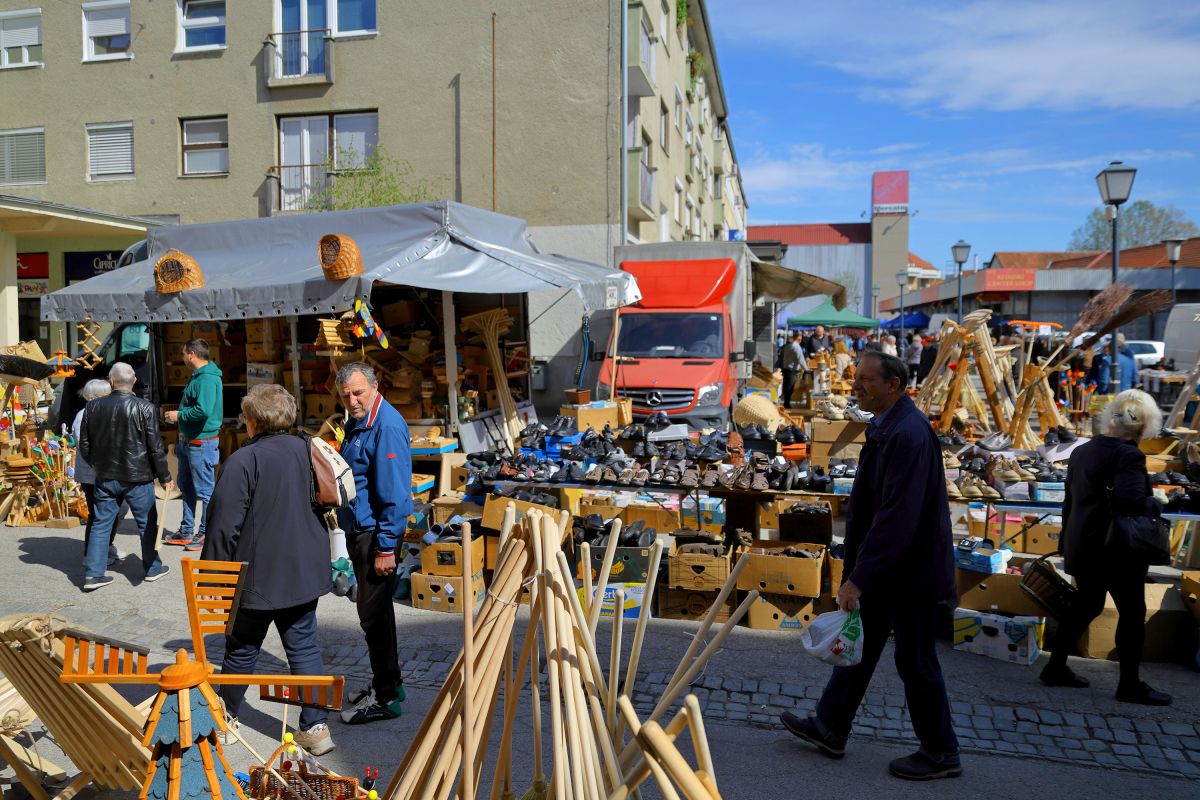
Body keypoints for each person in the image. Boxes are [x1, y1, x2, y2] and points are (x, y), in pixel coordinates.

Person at [781, 351, 960, 781]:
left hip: (910, 573)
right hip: (891, 568)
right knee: (860, 642)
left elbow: (897, 518)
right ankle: (830, 726)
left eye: (866, 380)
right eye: (856, 378)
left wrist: (859, 578)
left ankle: (941, 752)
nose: (856, 386)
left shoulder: (907, 433)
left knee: (916, 661)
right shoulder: (889, 426)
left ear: (893, 385)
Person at [203, 384, 336, 754]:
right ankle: (316, 728)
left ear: (252, 422)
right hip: (305, 567)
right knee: (304, 646)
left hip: (258, 575)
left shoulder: (243, 461)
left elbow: (223, 525)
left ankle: (226, 719)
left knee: (242, 647)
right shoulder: (308, 450)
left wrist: (213, 577)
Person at [1039, 389, 1171, 706]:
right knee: (1132, 613)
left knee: (1086, 605)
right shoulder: (1128, 455)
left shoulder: (1084, 450)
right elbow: (1131, 500)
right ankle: (1129, 684)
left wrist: (1066, 542)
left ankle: (1055, 667)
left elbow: (1070, 501)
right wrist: (1157, 502)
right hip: (1116, 549)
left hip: (1085, 544)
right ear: (1143, 427)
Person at [335, 363, 413, 724]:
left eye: (358, 393)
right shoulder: (360, 420)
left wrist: (385, 548)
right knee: (379, 614)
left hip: (375, 535)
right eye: (346, 395)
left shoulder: (387, 426)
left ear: (375, 387)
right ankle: (391, 683)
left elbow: (395, 494)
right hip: (362, 531)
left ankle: (385, 698)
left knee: (373, 617)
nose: (352, 400)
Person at [79, 362, 174, 591]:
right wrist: (165, 477)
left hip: (106, 476)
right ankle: (152, 568)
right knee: (146, 523)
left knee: (101, 524)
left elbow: (84, 445)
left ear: (111, 382)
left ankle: (93, 574)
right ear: (134, 381)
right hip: (137, 477)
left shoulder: (93, 407)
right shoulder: (145, 407)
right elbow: (155, 447)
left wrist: (98, 465)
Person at [163, 338, 224, 552]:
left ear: (191, 354)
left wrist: (179, 415)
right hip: (189, 441)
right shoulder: (199, 376)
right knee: (187, 486)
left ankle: (206, 532)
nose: (182, 358)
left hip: (201, 442)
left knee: (205, 490)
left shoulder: (206, 378)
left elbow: (203, 410)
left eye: (183, 353)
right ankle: (187, 530)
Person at [72, 379, 123, 567]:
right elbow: (85, 447)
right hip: (92, 475)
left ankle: (106, 546)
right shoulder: (83, 415)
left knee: (117, 511)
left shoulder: (103, 412)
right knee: (97, 515)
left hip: (108, 473)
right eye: (106, 396)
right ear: (93, 398)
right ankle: (90, 555)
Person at [780, 332, 804, 408]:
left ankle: (786, 403)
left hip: (787, 369)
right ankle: (786, 404)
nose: (800, 341)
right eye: (799, 339)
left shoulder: (787, 346)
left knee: (787, 387)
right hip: (790, 370)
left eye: (801, 340)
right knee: (789, 387)